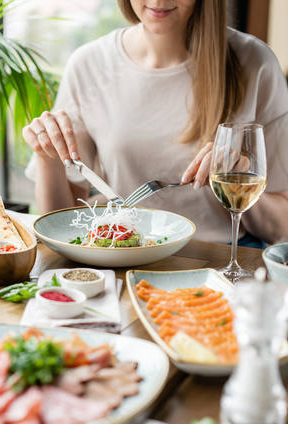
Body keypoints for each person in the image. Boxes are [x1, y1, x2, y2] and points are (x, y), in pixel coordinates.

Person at [23, 0, 288, 246]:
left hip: (222, 258)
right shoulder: (88, 65)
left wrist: (235, 188)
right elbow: (61, 225)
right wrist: (46, 157)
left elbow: (282, 227)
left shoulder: (255, 63)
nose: (159, 0)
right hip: (124, 257)